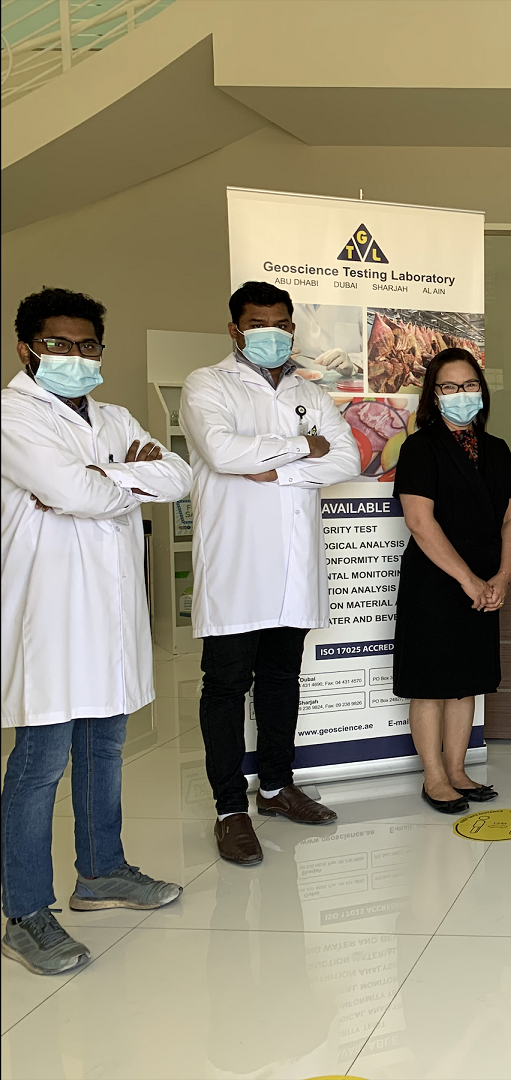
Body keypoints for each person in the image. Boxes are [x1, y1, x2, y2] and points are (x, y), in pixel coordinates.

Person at [2, 288, 191, 974]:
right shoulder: (12, 415)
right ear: (27, 349)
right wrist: (125, 475)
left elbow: (177, 476)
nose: (75, 356)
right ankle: (25, 912)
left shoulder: (112, 416)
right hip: (49, 616)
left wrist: (102, 476)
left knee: (105, 748)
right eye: (57, 344)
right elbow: (74, 492)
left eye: (87, 345)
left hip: (111, 614)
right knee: (39, 764)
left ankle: (101, 872)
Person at [182, 281, 361, 866]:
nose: (273, 333)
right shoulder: (207, 384)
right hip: (235, 566)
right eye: (258, 324)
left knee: (282, 679)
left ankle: (278, 787)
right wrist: (303, 446)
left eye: (282, 324)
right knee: (226, 686)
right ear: (235, 329)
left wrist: (279, 469)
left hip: (293, 567)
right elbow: (223, 452)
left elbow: (347, 458)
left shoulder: (310, 390)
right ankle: (230, 809)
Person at [393, 349, 511, 814]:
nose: (461, 394)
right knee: (432, 683)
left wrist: (502, 576)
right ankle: (434, 778)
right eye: (449, 387)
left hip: (485, 581)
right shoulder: (420, 448)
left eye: (469, 385)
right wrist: (468, 579)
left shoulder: (497, 449)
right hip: (436, 580)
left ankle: (458, 770)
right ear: (434, 394)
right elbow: (419, 521)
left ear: (481, 391)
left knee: (467, 682)